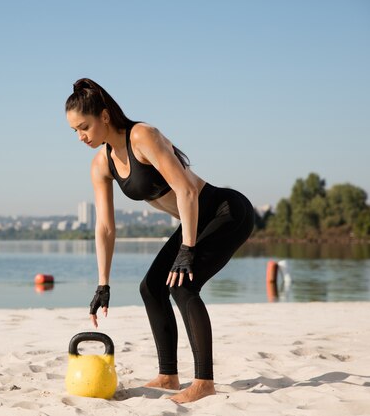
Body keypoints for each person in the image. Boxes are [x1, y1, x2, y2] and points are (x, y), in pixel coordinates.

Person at [65, 78, 254, 404]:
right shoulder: (101, 163)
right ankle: (168, 374)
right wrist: (103, 283)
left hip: (226, 211)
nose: (81, 136)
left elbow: (187, 190)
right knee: (151, 287)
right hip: (195, 221)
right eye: (75, 131)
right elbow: (106, 228)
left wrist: (188, 249)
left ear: (104, 116)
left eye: (84, 126)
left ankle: (204, 382)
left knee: (182, 285)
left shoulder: (142, 136)